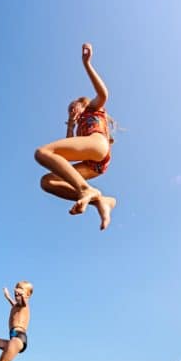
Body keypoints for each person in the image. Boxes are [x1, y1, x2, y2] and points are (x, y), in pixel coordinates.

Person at [34, 43, 117, 230]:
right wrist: (71, 124)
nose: (71, 110)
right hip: (93, 166)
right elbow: (66, 151)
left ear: (83, 103)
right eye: (68, 110)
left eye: (73, 107)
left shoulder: (92, 109)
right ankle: (101, 201)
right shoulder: (79, 127)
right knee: (47, 182)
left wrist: (87, 64)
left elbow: (103, 94)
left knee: (42, 153)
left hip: (98, 144)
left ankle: (86, 190)